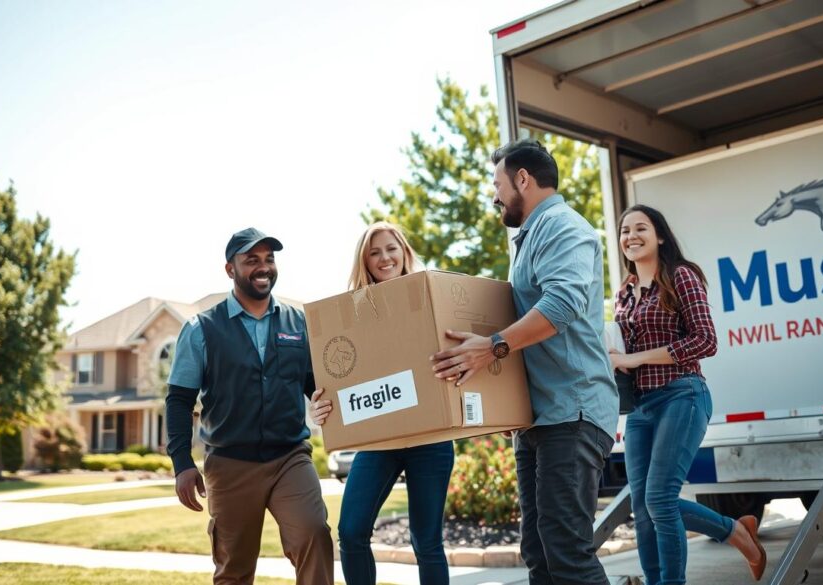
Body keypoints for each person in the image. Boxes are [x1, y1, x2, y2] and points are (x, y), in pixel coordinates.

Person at [431, 139, 619, 585]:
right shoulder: (530, 236)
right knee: (538, 551)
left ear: (522, 180)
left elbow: (561, 305)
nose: (494, 195)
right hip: (538, 419)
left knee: (567, 552)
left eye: (497, 183)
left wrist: (490, 346)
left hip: (572, 412)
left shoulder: (564, 228)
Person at [165, 227, 333, 585]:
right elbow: (179, 400)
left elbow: (315, 386)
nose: (263, 267)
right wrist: (182, 463)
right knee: (234, 568)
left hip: (290, 456)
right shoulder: (201, 329)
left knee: (314, 534)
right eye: (252, 260)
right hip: (230, 463)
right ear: (230, 269)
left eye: (269, 259)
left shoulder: (298, 323)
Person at [610, 205, 767, 585]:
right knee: (643, 507)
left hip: (682, 394)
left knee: (660, 499)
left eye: (640, 228)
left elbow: (705, 341)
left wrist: (634, 357)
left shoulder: (681, 276)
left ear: (660, 235)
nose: (630, 235)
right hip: (641, 407)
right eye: (624, 230)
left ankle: (735, 534)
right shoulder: (625, 291)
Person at [309, 221, 455, 585]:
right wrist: (322, 407)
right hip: (379, 441)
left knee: (427, 541)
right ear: (365, 261)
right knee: (351, 530)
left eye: (391, 248)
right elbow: (339, 379)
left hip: (430, 439)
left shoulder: (432, 297)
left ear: (404, 251)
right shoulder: (352, 315)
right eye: (374, 252)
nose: (384, 257)